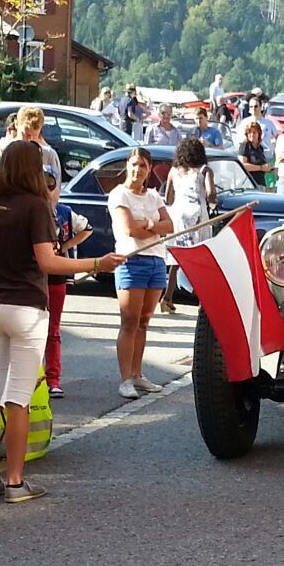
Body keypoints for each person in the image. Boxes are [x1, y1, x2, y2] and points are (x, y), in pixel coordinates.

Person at [0, 141, 123, 503]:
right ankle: (14, 481)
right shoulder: (36, 207)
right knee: (19, 398)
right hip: (26, 309)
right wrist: (96, 264)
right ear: (31, 169)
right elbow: (47, 262)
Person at [107, 148, 174, 399]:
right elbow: (128, 229)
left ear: (149, 169)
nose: (138, 170)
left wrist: (148, 226)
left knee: (144, 321)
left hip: (156, 260)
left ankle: (137, 373)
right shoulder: (119, 194)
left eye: (143, 166)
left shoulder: (154, 196)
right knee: (130, 320)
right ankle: (125, 378)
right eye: (134, 164)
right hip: (131, 260)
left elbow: (170, 226)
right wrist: (152, 227)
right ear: (127, 165)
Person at [44, 166, 93, 398]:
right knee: (30, 328)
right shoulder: (29, 211)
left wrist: (63, 248)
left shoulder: (63, 212)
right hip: (31, 277)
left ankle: (52, 378)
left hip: (56, 277)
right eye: (41, 184)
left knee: (53, 329)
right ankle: (34, 376)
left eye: (50, 184)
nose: (46, 190)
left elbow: (87, 228)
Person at [163, 139, 216, 314]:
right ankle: (205, 300)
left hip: (178, 215)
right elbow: (211, 194)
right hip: (198, 217)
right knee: (201, 256)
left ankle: (167, 298)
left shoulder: (173, 171)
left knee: (176, 258)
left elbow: (168, 198)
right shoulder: (204, 171)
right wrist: (213, 201)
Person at [0, 106, 62, 186]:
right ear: (16, 124)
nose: (30, 140)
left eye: (35, 135)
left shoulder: (48, 156)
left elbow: (54, 194)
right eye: (26, 135)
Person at [239, 121, 270, 187]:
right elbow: (242, 166)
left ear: (259, 134)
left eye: (254, 132)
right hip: (250, 184)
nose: (252, 135)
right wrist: (261, 168)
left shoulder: (260, 147)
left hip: (261, 183)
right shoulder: (245, 146)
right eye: (249, 132)